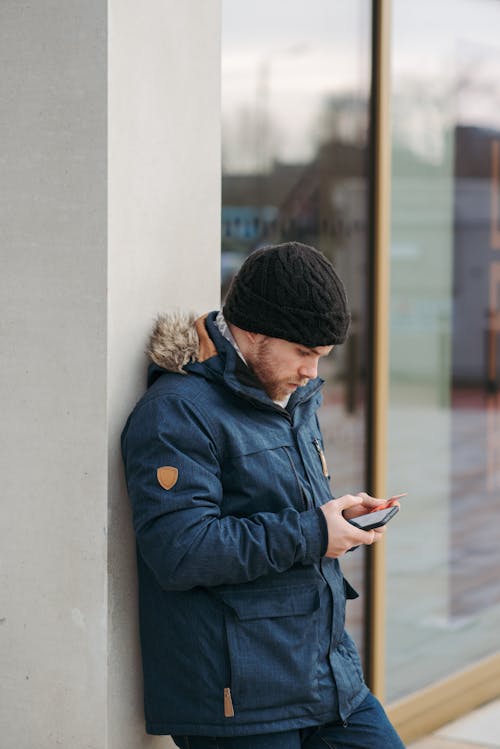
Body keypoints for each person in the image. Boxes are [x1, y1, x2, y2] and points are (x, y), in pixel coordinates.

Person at [121, 242, 406, 749]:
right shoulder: (177, 412)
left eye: (321, 357)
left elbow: (276, 513)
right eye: (303, 353)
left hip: (325, 678)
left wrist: (336, 516)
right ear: (251, 331)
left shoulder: (288, 396)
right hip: (240, 701)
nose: (312, 372)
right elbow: (180, 550)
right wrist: (315, 532)